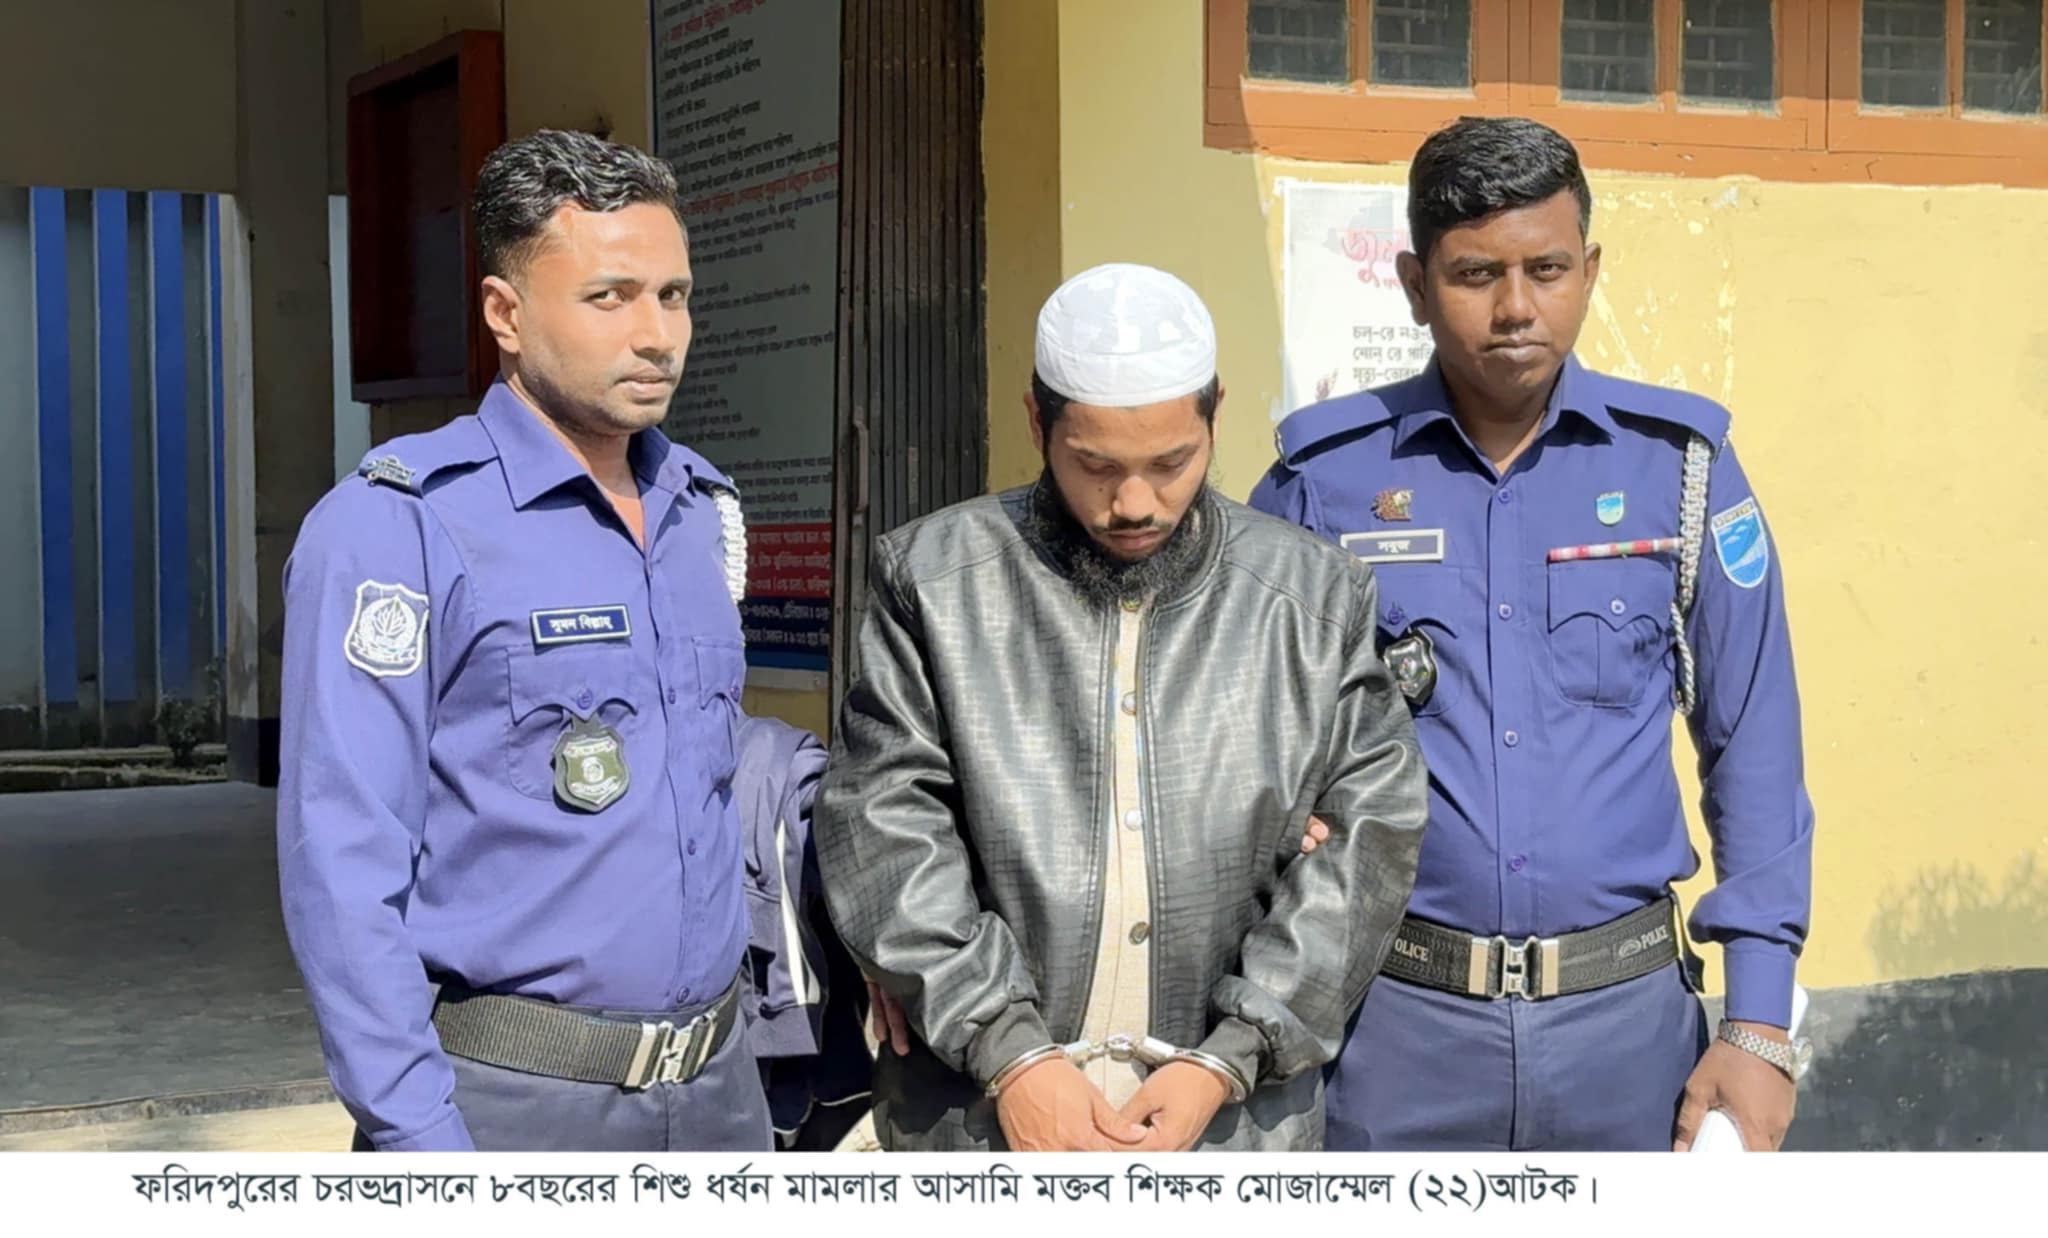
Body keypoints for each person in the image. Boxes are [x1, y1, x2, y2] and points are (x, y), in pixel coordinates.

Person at [1250, 116, 1816, 1153]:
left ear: (1588, 271)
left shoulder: (1680, 469)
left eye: (1546, 269)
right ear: (1415, 285)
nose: (1515, 307)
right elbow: (1240, 741)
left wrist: (1758, 1022)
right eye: (1475, 274)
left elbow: (1754, 745)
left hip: (1629, 1040)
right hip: (1392, 1035)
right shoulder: (1319, 484)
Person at [813, 262, 1429, 1153]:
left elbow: (1370, 840)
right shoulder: (937, 583)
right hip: (983, 1122)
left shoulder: (1312, 598)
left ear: (1215, 416)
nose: (1134, 503)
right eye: (1095, 465)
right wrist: (1011, 1056)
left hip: (1232, 1129)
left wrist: (1229, 1058)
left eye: (1172, 463)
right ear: (1038, 424)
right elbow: (884, 825)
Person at [277, 129, 771, 1152]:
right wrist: (418, 1137)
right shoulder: (401, 524)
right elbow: (342, 863)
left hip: (719, 1096)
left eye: (673, 295)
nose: (656, 335)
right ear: (505, 313)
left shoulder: (700, 512)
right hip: (511, 1108)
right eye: (609, 297)